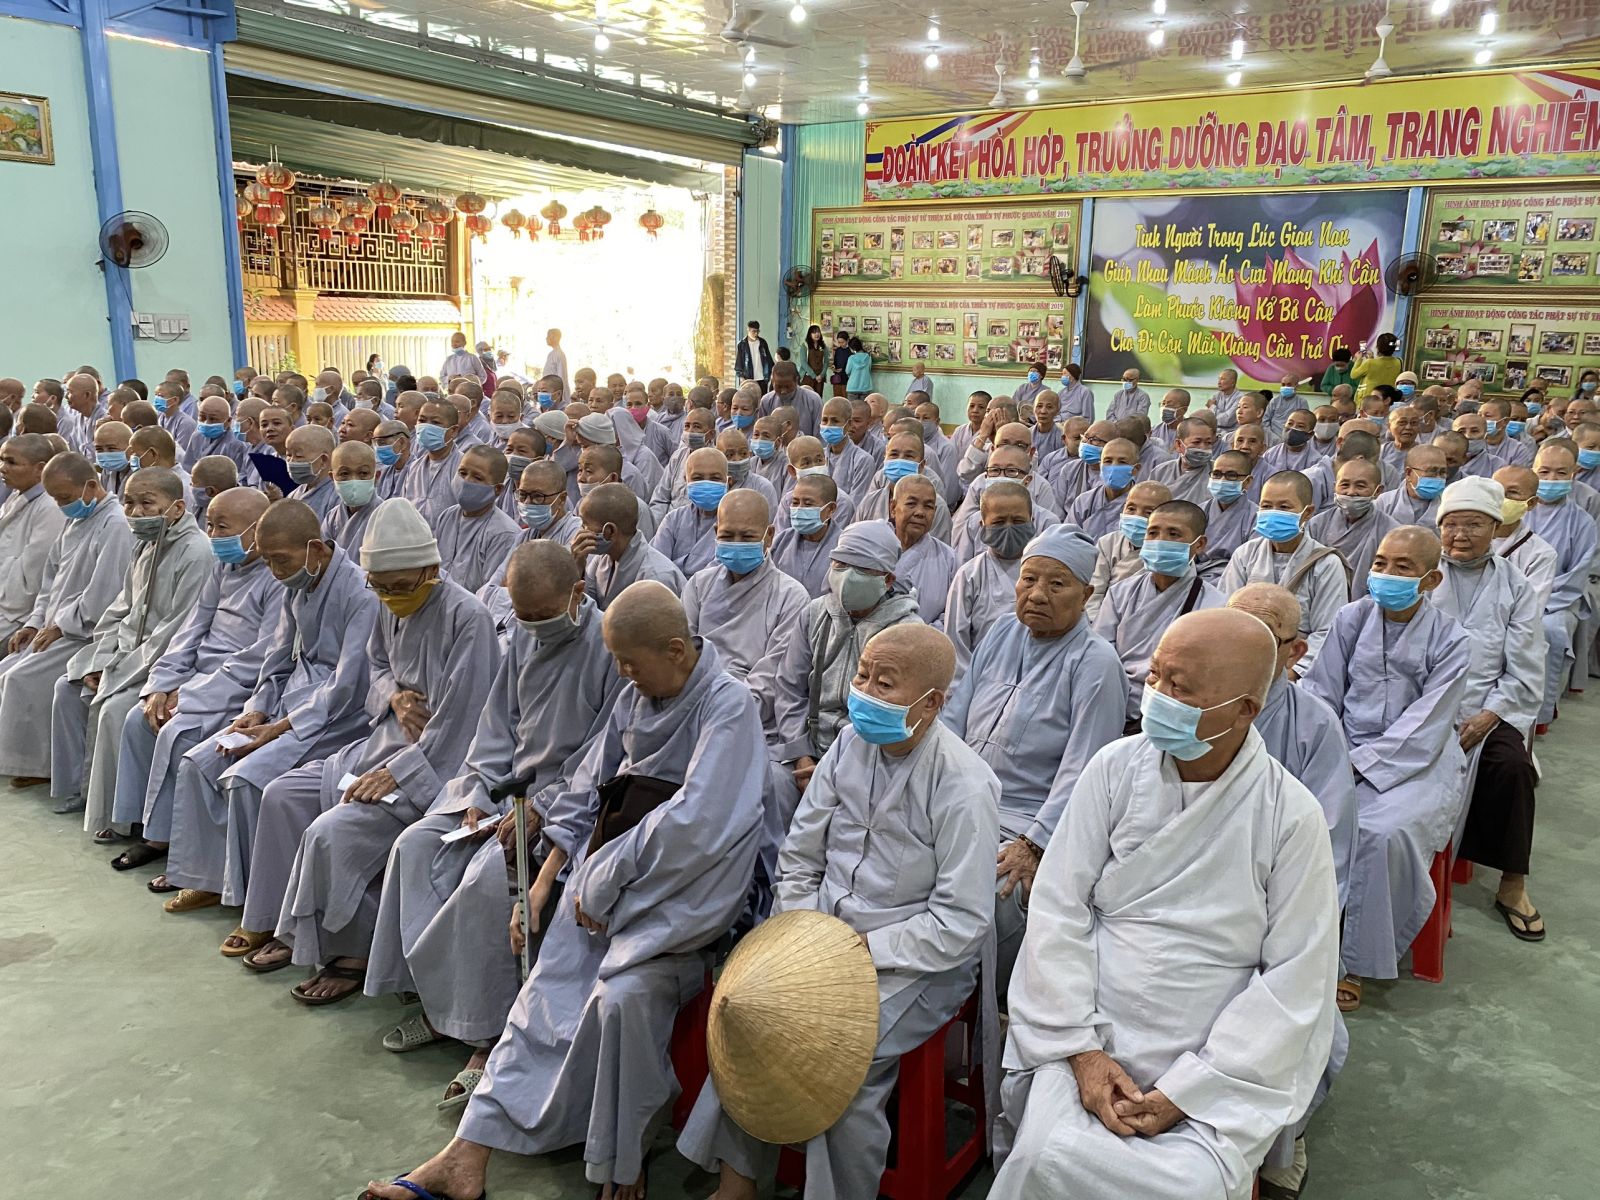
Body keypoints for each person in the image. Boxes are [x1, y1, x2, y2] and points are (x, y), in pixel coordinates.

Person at [360, 582, 768, 1200]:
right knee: (542, 998)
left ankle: (622, 1154)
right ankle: (464, 1156)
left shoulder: (728, 706)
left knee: (616, 999)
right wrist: (546, 881)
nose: (622, 675)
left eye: (630, 663)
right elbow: (586, 790)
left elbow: (696, 823)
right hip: (609, 887)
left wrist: (601, 878)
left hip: (687, 899)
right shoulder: (637, 696)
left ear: (676, 649)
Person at [991, 607, 1339, 1200]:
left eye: (1181, 687)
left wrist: (1189, 1091)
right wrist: (1081, 1051)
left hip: (1215, 1046)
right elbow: (1059, 907)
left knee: (1189, 1184)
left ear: (1244, 710)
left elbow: (1295, 976)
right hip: (1090, 1017)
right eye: (1155, 675)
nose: (1157, 695)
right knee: (1045, 1156)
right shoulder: (1113, 769)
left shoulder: (1291, 815)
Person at [683, 622, 1000, 1200]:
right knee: (748, 1015)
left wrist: (860, 950)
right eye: (863, 675)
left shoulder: (964, 785)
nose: (865, 692)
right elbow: (800, 855)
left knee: (839, 1062)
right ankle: (738, 1183)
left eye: (885, 684)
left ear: (931, 704)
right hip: (819, 936)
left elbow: (960, 922)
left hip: (913, 965)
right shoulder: (850, 745)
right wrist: (802, 934)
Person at [366, 541, 625, 1104]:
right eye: (522, 615)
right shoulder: (526, 638)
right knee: (414, 845)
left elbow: (601, 756)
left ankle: (484, 1034)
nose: (532, 626)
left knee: (485, 881)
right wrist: (479, 793)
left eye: (542, 614)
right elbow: (496, 728)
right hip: (504, 795)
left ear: (577, 594)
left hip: (560, 806)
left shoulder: (609, 648)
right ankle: (435, 1001)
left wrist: (540, 807)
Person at [237, 498, 498, 999]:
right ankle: (280, 923)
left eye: (400, 587)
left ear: (431, 570)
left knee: (331, 831)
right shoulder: (385, 601)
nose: (391, 597)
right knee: (282, 794)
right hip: (382, 740)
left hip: (437, 765)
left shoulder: (469, 618)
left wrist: (399, 774)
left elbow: (463, 723)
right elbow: (375, 669)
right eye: (380, 586)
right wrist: (394, 696)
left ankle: (349, 953)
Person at [158, 500, 379, 935]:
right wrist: (255, 709)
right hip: (288, 702)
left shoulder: (361, 594)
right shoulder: (299, 582)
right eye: (269, 561)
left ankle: (263, 913)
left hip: (336, 717)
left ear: (316, 549)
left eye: (282, 560)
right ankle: (209, 879)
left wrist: (279, 728)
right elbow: (278, 656)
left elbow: (348, 685)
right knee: (200, 761)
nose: (275, 571)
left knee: (247, 779)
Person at [941, 525, 1125, 994]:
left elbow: (1084, 771)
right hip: (962, 798)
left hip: (1028, 818)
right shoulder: (1002, 631)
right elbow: (955, 717)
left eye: (1056, 584)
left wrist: (1034, 842)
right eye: (1028, 579)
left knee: (999, 890)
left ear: (1086, 595)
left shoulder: (1097, 662)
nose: (1037, 594)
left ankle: (992, 1001)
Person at [1301, 527, 1470, 1010]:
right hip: (1342, 743)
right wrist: (1325, 752)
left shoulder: (1453, 639)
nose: (1386, 574)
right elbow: (1322, 691)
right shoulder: (1351, 617)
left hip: (1419, 759)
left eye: (1403, 567)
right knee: (1296, 815)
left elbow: (1429, 722)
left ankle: (1355, 957)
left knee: (1380, 833)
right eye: (1380, 563)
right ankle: (1295, 937)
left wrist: (1360, 765)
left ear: (1431, 580)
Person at [107, 487, 276, 870]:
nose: (213, 535)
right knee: (138, 719)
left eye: (222, 527)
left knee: (178, 732)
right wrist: (163, 684)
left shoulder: (274, 577)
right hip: (196, 677)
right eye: (210, 525)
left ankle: (169, 841)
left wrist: (192, 694)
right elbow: (191, 630)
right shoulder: (223, 568)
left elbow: (260, 656)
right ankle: (142, 822)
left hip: (235, 688)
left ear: (256, 530)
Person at [50, 468, 211, 831]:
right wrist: (101, 659)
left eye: (147, 503)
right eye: (129, 503)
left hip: (166, 665)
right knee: (67, 688)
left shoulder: (195, 552)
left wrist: (117, 672)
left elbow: (175, 632)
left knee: (113, 709)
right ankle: (82, 790)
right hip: (128, 654)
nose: (136, 513)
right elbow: (121, 609)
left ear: (177, 508)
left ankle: (118, 817)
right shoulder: (146, 543)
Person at [1430, 478, 1545, 942]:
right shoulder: (1421, 571)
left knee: (1512, 768)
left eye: (1474, 524)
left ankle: (1512, 884)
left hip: (1487, 706)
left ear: (1496, 528)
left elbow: (1525, 668)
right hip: (1421, 706)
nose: (1460, 535)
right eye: (1451, 524)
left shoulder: (1516, 586)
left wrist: (1490, 714)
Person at [0, 453, 135, 791]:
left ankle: (40, 764)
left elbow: (104, 594)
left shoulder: (115, 525)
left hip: (85, 633)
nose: (61, 505)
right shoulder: (75, 520)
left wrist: (60, 626)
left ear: (90, 486)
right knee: (5, 670)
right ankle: (20, 757)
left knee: (20, 678)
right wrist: (34, 622)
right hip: (55, 626)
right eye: (57, 499)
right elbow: (51, 581)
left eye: (64, 497)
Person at [771, 522, 921, 798]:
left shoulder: (907, 633)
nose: (848, 577)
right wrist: (801, 755)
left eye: (863, 570)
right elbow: (790, 689)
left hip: (868, 763)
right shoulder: (815, 614)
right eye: (840, 565)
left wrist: (837, 769)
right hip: (806, 750)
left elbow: (896, 718)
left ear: (887, 580)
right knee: (767, 787)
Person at [1094, 500, 1225, 728]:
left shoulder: (1216, 607)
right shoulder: (1121, 593)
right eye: (1153, 533)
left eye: (1174, 534)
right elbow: (1100, 654)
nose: (1160, 541)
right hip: (1108, 700)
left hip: (1168, 712)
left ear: (1199, 544)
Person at [682, 489, 807, 703]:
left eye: (747, 537)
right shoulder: (698, 584)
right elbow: (682, 652)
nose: (737, 543)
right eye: (727, 536)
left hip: (747, 704)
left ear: (769, 535)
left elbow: (771, 679)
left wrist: (725, 708)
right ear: (716, 532)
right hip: (691, 695)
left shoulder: (791, 597)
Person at [1220, 470, 1349, 672]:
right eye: (1266, 506)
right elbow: (1225, 614)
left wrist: (1293, 671)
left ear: (1307, 512)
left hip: (1297, 662)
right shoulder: (1245, 554)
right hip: (1241, 654)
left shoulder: (1326, 564)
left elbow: (1327, 631)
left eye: (1284, 507)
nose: (1273, 513)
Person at [1522, 440, 1597, 732]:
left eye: (1561, 473)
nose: (1551, 479)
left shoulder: (1583, 522)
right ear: (1533, 471)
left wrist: (1538, 603)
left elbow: (1577, 573)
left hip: (1557, 600)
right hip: (1511, 595)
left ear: (1574, 474)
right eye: (1544, 471)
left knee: (1552, 631)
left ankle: (1540, 714)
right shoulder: (1516, 510)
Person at [944, 480, 1034, 673]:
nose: (1009, 528)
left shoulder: (1046, 572)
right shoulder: (969, 575)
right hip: (981, 678)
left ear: (1031, 520)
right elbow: (956, 646)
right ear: (982, 525)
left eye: (1018, 521)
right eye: (999, 522)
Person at [0, 435, 67, 648]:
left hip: (17, 614)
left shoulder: (51, 507)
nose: (3, 468)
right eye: (2, 460)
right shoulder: (16, 495)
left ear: (40, 468)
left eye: (11, 462)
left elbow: (35, 575)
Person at [573, 482, 685, 609]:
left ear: (609, 531)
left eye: (585, 525)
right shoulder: (603, 558)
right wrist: (577, 568)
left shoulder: (656, 577)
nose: (580, 531)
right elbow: (585, 609)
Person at [1306, 457, 1401, 598]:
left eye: (1360, 486)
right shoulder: (1316, 525)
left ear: (1378, 491)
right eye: (1344, 485)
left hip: (1367, 603)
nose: (1351, 492)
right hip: (1321, 598)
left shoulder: (1391, 531)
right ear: (1334, 487)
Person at [435, 446, 521, 592]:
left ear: (498, 489)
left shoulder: (504, 534)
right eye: (462, 473)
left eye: (478, 478)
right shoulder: (447, 516)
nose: (466, 481)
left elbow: (490, 593)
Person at [888, 475, 958, 626]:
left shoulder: (950, 559)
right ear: (893, 508)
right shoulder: (872, 548)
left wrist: (920, 635)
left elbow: (952, 614)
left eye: (928, 506)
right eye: (911, 504)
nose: (920, 512)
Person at [652, 446, 729, 576]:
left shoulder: (735, 525)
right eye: (698, 478)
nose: (706, 484)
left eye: (715, 478)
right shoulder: (673, 520)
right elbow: (656, 564)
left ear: (727, 481)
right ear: (686, 480)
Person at [1491, 466, 1558, 616]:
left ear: (1531, 503)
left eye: (1513, 492)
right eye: (1496, 490)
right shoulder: (1466, 537)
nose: (1501, 498)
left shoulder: (1541, 554)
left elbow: (1530, 613)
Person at [401, 397, 466, 524]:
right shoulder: (414, 467)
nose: (426, 427)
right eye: (422, 420)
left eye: (435, 422)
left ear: (453, 431)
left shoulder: (463, 468)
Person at [818, 397, 876, 499]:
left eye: (835, 421)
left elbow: (857, 500)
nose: (828, 426)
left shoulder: (863, 460)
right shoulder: (818, 457)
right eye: (825, 420)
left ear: (849, 425)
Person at [1147, 417, 1215, 504]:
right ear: (1179, 444)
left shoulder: (1217, 472)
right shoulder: (1160, 472)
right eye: (1197, 442)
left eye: (1208, 443)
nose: (1203, 447)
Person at [1351, 333, 1402, 399]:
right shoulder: (1399, 362)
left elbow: (1353, 375)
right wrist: (1371, 358)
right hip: (1388, 398)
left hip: (1370, 398)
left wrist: (1358, 359)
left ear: (1377, 347)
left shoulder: (1370, 363)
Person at [736, 320, 774, 392]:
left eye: (758, 331)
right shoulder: (742, 344)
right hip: (748, 379)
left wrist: (771, 374)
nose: (756, 333)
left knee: (762, 397)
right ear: (748, 330)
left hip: (763, 378)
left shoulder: (762, 343)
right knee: (749, 398)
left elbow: (769, 360)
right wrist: (741, 377)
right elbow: (739, 362)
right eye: (754, 331)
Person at [798, 324, 828, 394]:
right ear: (810, 334)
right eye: (814, 332)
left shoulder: (823, 346)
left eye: (818, 332)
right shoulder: (805, 345)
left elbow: (826, 362)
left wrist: (822, 375)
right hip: (807, 376)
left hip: (820, 378)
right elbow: (803, 362)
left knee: (818, 397)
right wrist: (814, 376)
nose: (817, 334)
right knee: (806, 397)